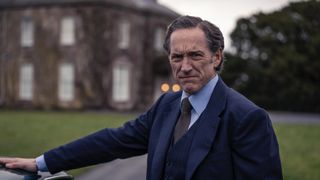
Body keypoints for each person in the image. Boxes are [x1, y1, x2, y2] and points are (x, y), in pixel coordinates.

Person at [0, 15, 282, 180]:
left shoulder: (247, 118)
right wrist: (41, 163)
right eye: (177, 56)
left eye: (195, 55)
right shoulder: (167, 105)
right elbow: (113, 141)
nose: (185, 66)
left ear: (217, 57)